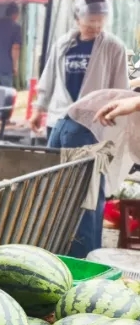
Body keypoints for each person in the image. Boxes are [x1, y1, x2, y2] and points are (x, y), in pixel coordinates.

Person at [50, 88, 140, 258]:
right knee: (86, 205)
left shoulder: (122, 100)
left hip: (68, 124)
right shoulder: (128, 104)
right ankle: (86, 267)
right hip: (83, 131)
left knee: (62, 202)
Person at [31, 0, 129, 137]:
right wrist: (38, 109)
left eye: (100, 22)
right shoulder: (62, 44)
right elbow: (48, 80)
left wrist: (115, 116)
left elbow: (120, 86)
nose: (95, 26)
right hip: (59, 119)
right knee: (55, 158)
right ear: (78, 20)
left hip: (92, 123)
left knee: (85, 159)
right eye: (90, 21)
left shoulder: (114, 47)